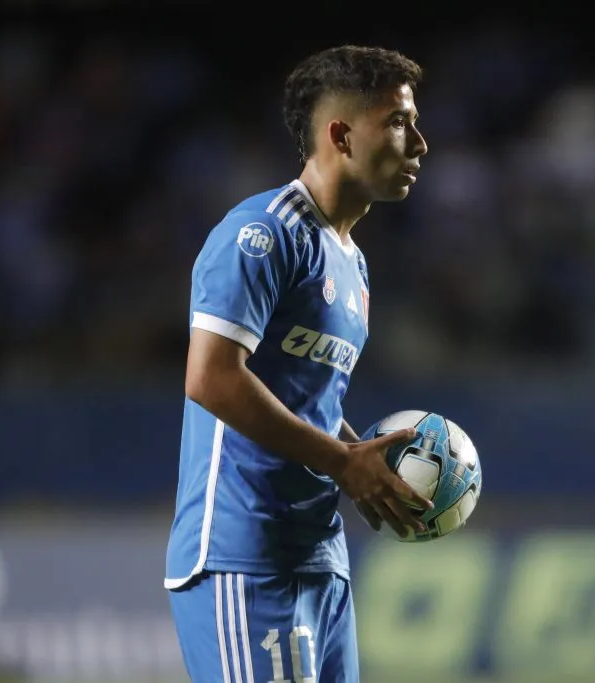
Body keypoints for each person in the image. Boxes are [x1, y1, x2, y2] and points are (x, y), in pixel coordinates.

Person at [165, 45, 432, 683]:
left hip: (317, 556)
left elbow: (309, 401)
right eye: (398, 122)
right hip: (244, 556)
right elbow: (211, 377)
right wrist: (342, 462)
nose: (419, 143)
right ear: (340, 135)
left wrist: (364, 460)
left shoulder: (351, 261)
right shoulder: (261, 234)